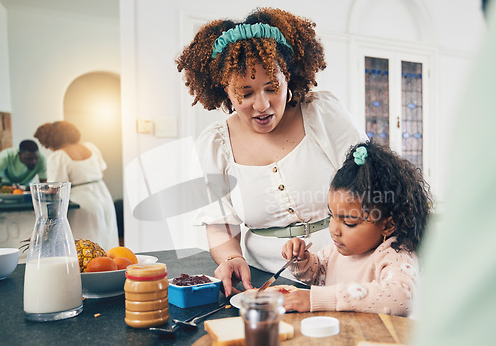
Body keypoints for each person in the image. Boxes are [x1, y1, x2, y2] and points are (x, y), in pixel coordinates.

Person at [176, 7, 367, 297]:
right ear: (224, 90)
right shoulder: (215, 145)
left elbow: (369, 185)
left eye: (271, 87)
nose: (262, 105)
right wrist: (231, 258)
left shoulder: (321, 114)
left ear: (289, 77)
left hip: (348, 266)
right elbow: (220, 226)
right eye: (246, 92)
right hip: (267, 281)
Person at [281, 141, 432, 316]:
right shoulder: (337, 250)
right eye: (332, 216)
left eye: (350, 222)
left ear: (388, 225)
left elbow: (401, 297)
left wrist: (318, 299)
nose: (334, 230)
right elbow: (317, 273)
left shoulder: (395, 255)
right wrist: (301, 260)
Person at [34, 121, 119, 251]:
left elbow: (55, 187)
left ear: (53, 141)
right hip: (103, 195)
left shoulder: (58, 156)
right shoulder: (91, 147)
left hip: (82, 201)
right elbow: (101, 171)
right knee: (107, 238)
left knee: (85, 244)